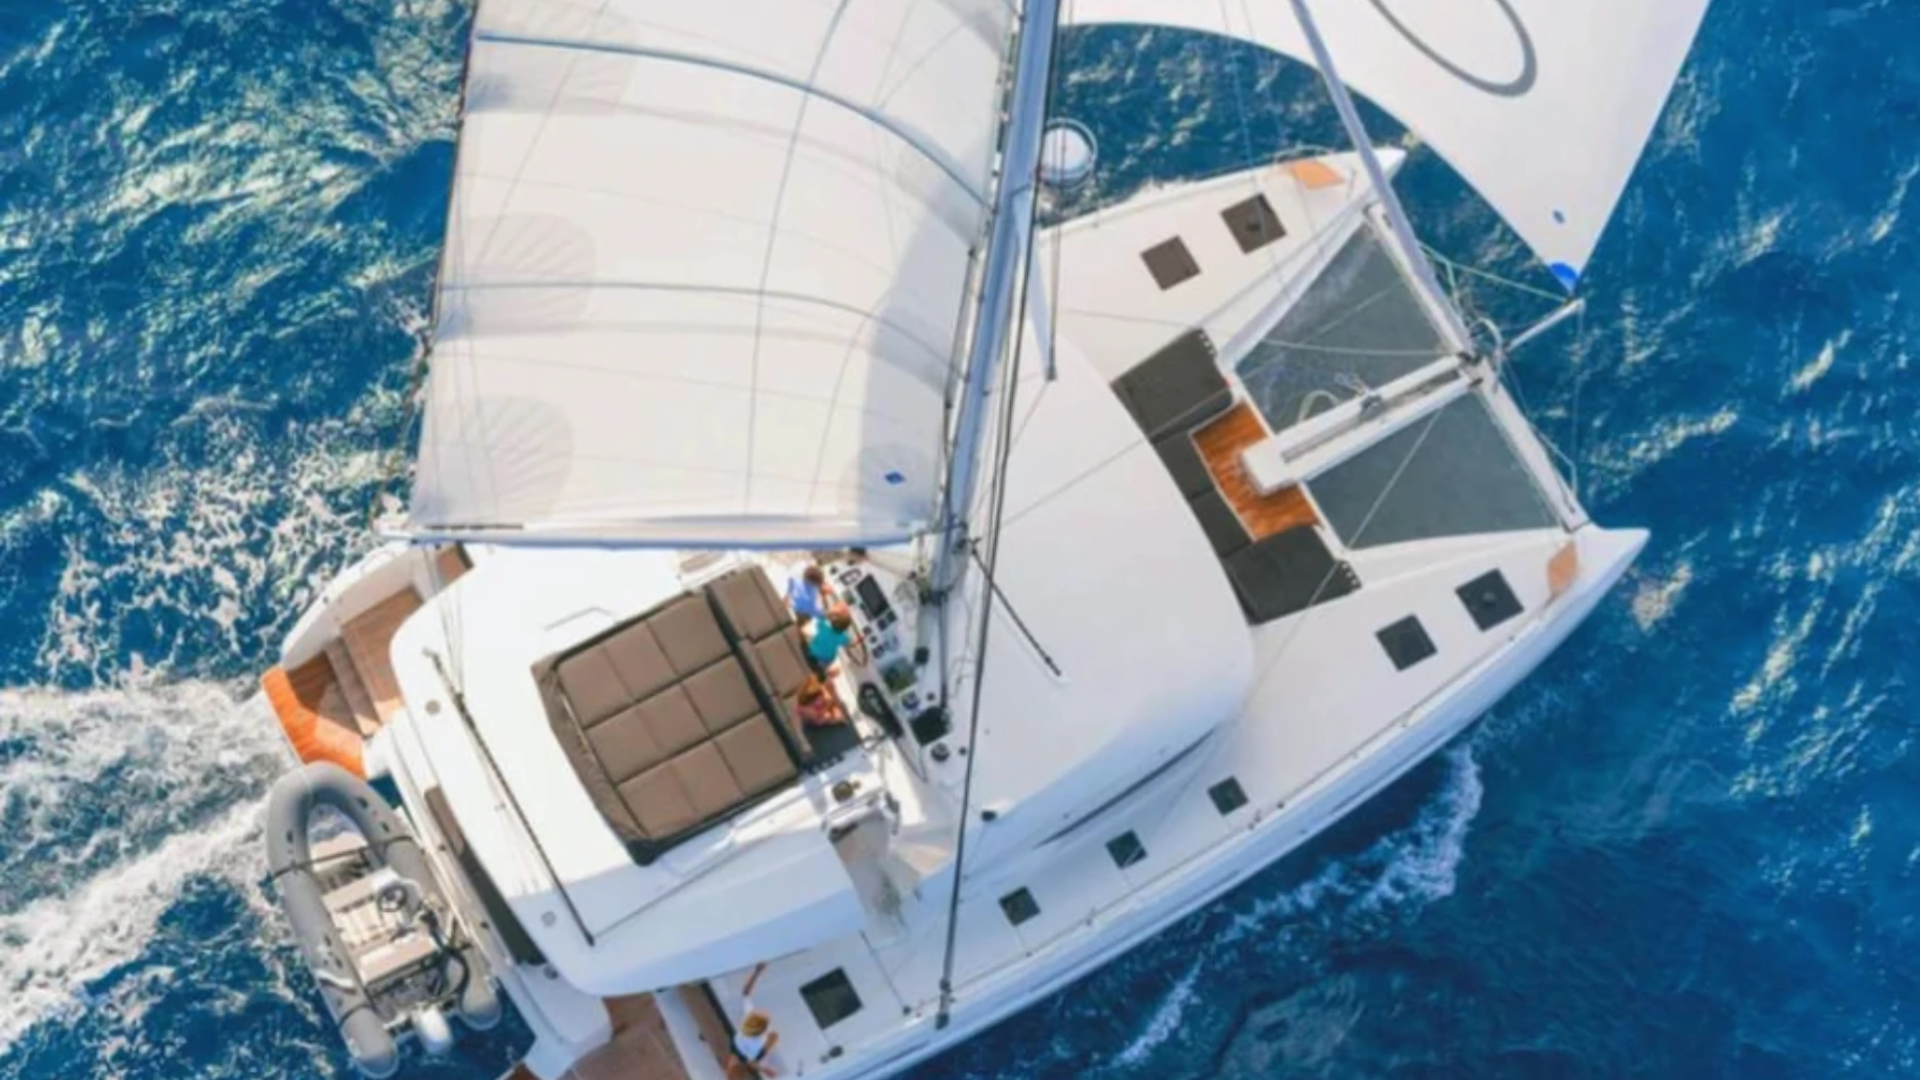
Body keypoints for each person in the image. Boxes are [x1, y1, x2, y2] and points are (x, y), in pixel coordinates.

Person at [729, 963, 780, 1079]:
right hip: (740, 1047)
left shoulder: (749, 1017)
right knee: (773, 1037)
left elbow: (746, 993)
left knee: (772, 1037)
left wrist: (756, 973)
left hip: (740, 1046)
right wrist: (766, 1069)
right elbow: (753, 1063)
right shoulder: (759, 1042)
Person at [806, 604, 865, 676]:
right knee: (835, 667)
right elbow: (851, 644)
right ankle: (824, 673)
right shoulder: (842, 637)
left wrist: (833, 612)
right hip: (822, 663)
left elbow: (822, 616)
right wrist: (858, 640)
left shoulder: (824, 626)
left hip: (811, 655)